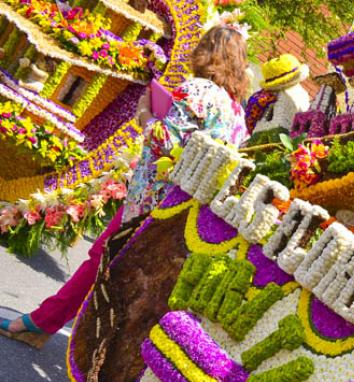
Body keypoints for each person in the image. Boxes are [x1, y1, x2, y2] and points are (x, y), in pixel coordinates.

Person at [0, 25, 250, 348]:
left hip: (150, 200)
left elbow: (165, 140)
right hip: (184, 210)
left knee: (102, 262)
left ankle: (43, 326)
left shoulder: (199, 90)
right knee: (117, 269)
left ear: (207, 53)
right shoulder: (237, 115)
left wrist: (144, 113)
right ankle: (57, 329)